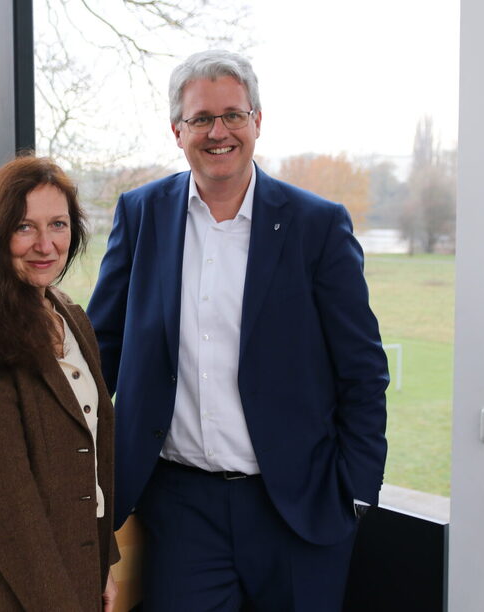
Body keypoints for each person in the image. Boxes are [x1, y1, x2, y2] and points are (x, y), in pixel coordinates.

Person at [87, 49, 389, 610]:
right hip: (181, 510)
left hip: (299, 509)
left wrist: (356, 493)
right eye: (201, 118)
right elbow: (99, 349)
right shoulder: (141, 214)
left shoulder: (317, 225)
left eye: (233, 115)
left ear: (257, 122)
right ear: (177, 131)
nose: (218, 131)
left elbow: (364, 372)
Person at [0, 155, 118, 611]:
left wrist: (104, 563)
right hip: (11, 588)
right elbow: (10, 511)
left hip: (75, 568)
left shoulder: (71, 316)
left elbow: (92, 454)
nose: (46, 244)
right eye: (25, 227)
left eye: (58, 225)